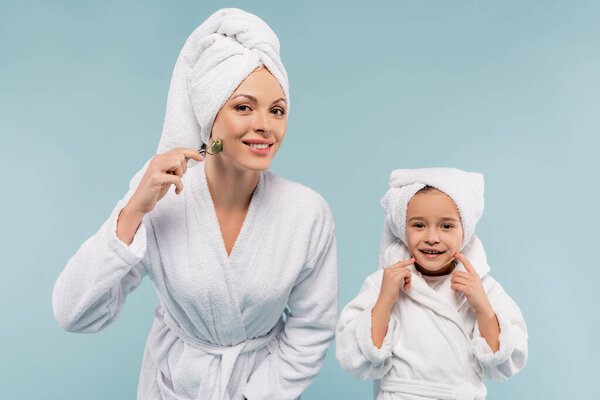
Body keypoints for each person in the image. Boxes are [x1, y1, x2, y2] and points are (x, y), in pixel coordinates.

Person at [52, 8, 337, 400]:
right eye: (243, 107)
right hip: (172, 388)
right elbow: (73, 313)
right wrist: (135, 209)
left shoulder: (307, 213)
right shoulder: (162, 196)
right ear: (209, 114)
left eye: (277, 111)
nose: (265, 125)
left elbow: (312, 329)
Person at [335, 168, 527, 400]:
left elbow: (504, 362)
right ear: (402, 228)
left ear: (464, 230)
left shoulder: (482, 287)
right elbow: (357, 359)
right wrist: (385, 300)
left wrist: (483, 307)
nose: (432, 237)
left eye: (446, 226)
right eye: (418, 225)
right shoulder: (383, 284)